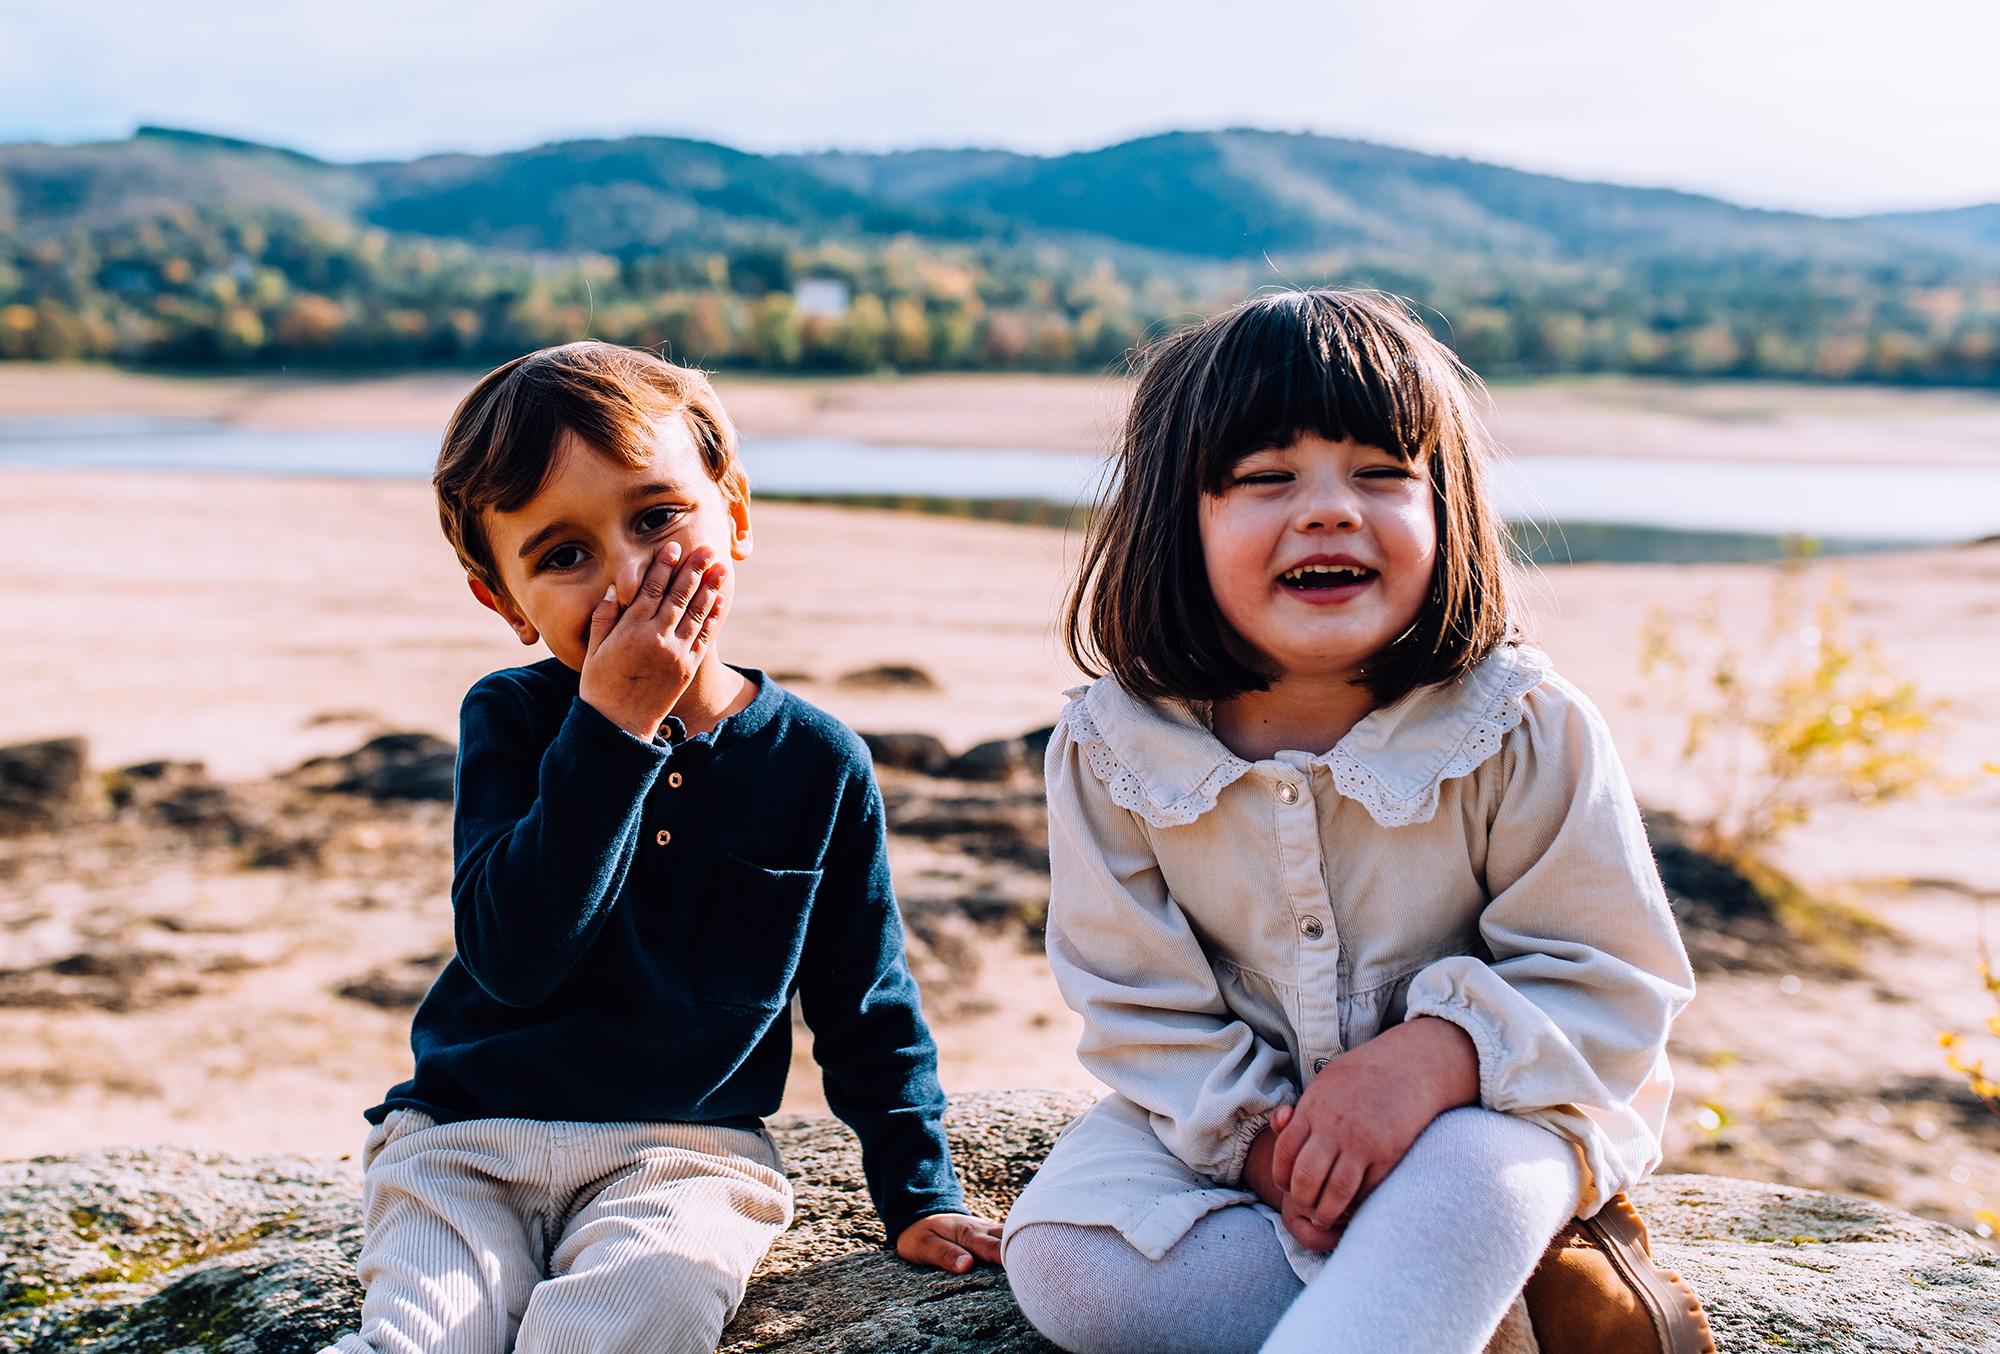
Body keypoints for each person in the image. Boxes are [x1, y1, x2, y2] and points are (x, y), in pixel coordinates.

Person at [1001, 291, 1712, 1354]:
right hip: (1233, 1128)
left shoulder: (1516, 724)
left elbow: (1610, 974)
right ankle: (1485, 1315)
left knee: (1470, 1176)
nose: (1330, 509)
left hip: (1492, 1109)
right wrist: (1258, 1147)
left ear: (1447, 509)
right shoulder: (1114, 748)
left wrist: (1432, 1057)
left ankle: (1430, 1276)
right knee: (1067, 1260)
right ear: (1171, 521)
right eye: (1264, 478)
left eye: (1381, 474)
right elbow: (1134, 1001)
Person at [328, 341, 1000, 1354]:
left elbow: (867, 1001)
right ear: (503, 601)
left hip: (685, 1150)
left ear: (732, 514)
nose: (628, 574)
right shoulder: (510, 718)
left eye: (656, 518)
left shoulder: (816, 759)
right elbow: (513, 957)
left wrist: (917, 1193)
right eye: (563, 555)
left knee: (643, 1313)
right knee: (423, 1330)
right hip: (466, 1137)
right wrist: (607, 733)